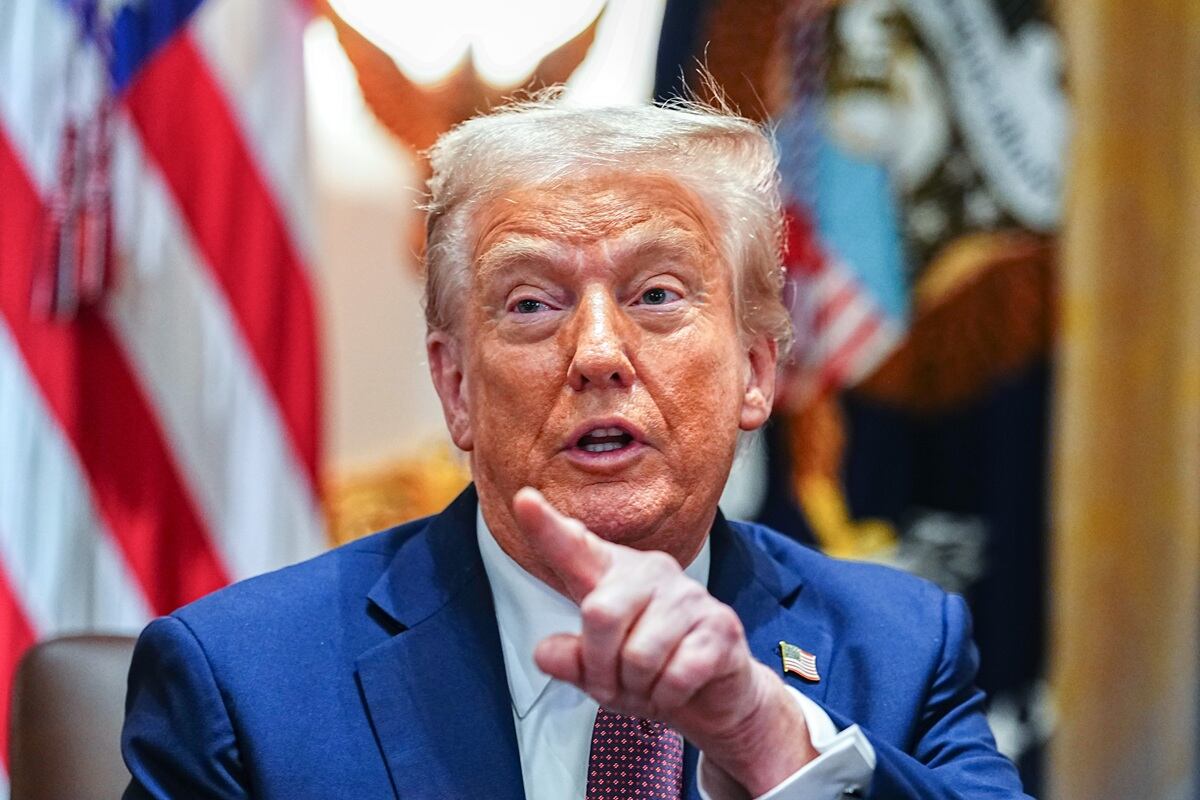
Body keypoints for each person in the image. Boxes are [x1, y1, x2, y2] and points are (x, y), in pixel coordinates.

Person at [121, 99, 1030, 800]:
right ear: (457, 387)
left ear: (757, 369)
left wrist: (769, 741)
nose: (597, 352)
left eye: (659, 293)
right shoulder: (240, 684)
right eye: (531, 304)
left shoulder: (902, 649)